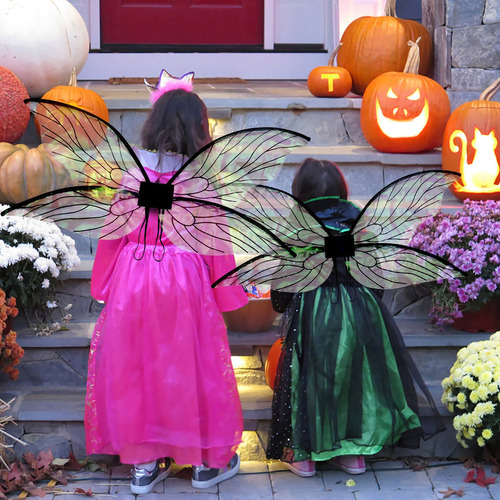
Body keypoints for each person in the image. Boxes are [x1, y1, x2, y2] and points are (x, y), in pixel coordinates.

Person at [84, 86, 248, 494]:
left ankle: (142, 463)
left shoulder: (130, 180)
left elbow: (111, 235)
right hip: (184, 281)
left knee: (136, 367)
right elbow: (216, 244)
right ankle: (204, 463)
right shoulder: (200, 185)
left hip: (134, 278)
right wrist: (227, 294)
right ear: (199, 133)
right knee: (193, 367)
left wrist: (103, 283)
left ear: (152, 127)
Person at [266, 158, 443, 477]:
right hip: (361, 309)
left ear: (299, 194)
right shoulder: (359, 220)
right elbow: (375, 273)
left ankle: (302, 456)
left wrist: (281, 302)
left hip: (314, 312)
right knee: (355, 380)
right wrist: (367, 304)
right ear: (343, 190)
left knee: (310, 379)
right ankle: (353, 455)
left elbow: (282, 283)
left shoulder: (295, 225)